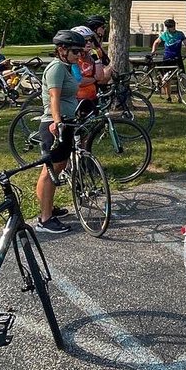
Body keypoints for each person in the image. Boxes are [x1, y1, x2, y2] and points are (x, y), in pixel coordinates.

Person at [35, 29, 87, 234]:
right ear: (61, 49)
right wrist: (57, 122)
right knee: (50, 171)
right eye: (75, 51)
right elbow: (54, 97)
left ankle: (48, 209)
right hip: (54, 124)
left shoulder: (67, 67)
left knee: (56, 168)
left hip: (68, 121)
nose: (78, 55)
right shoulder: (56, 68)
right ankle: (45, 220)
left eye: (81, 52)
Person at [70, 25, 111, 120]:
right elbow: (79, 81)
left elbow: (100, 77)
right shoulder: (73, 59)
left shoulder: (93, 55)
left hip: (91, 98)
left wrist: (97, 60)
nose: (89, 43)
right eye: (85, 40)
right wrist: (94, 78)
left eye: (90, 40)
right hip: (77, 100)